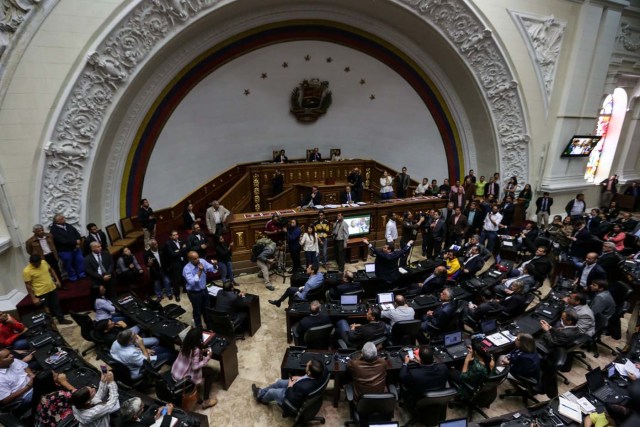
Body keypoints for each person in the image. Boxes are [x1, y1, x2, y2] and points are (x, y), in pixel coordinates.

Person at [171, 328, 217, 409]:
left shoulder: (185, 344)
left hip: (175, 373)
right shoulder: (196, 350)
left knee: (206, 370)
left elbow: (190, 356)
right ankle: (206, 401)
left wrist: (202, 351)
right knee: (211, 372)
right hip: (184, 378)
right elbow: (194, 367)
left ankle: (198, 395)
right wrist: (207, 358)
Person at [252, 359, 326, 408]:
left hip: (292, 395)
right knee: (279, 382)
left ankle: (262, 399)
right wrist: (299, 378)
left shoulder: (302, 387)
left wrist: (290, 386)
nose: (306, 365)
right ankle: (261, 392)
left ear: (309, 372)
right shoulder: (324, 371)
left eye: (307, 366)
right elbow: (308, 377)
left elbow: (291, 398)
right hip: (299, 385)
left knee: (272, 392)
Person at [23, 254, 72, 325]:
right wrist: (33, 298)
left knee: (56, 305)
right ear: (31, 262)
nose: (38, 265)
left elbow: (51, 270)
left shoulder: (43, 262)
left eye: (39, 263)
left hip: (52, 288)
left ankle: (61, 319)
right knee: (46, 308)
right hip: (41, 292)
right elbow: (28, 285)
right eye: (35, 264)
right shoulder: (26, 271)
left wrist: (57, 280)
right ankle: (50, 324)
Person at [110, 329, 174, 381]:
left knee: (163, 349)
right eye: (134, 335)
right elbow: (147, 361)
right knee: (168, 355)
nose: (137, 335)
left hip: (134, 358)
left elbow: (131, 347)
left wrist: (144, 350)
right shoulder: (131, 353)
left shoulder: (116, 342)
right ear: (129, 341)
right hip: (143, 364)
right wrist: (142, 346)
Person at [183, 251, 217, 329]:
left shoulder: (202, 261)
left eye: (198, 257)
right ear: (189, 259)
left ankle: (209, 326)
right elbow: (192, 282)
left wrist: (214, 265)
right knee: (197, 311)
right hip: (194, 293)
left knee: (207, 309)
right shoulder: (186, 268)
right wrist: (200, 271)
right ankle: (199, 329)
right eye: (195, 259)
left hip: (204, 290)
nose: (198, 260)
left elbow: (212, 269)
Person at [49, 214, 85, 281]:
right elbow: (61, 241)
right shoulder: (54, 230)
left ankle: (81, 274)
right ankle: (72, 276)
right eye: (62, 219)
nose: (64, 220)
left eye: (63, 218)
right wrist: (75, 242)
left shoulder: (68, 225)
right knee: (68, 264)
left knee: (80, 260)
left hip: (76, 248)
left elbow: (76, 233)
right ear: (57, 221)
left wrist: (78, 240)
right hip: (64, 251)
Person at [162, 230, 188, 301]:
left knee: (184, 277)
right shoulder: (168, 244)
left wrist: (178, 251)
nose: (176, 236)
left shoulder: (181, 241)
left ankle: (185, 289)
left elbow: (186, 250)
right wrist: (182, 249)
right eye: (174, 235)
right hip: (175, 264)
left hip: (183, 262)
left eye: (176, 234)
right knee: (176, 281)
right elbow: (173, 254)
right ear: (170, 236)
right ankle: (177, 295)